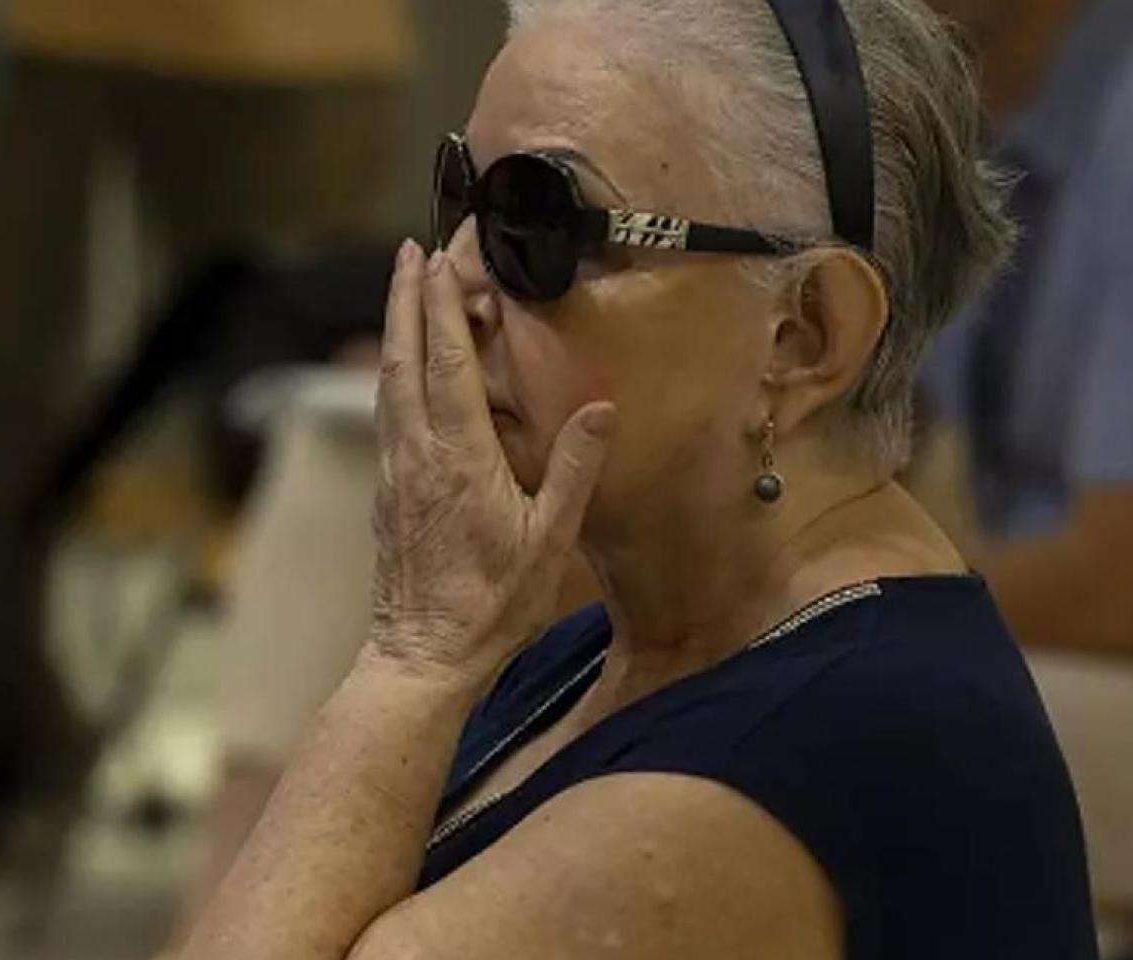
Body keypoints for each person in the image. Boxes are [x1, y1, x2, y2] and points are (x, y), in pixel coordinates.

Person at [180, 0, 1100, 957]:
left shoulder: (789, 767)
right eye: (463, 197)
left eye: (537, 223)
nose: (455, 281)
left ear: (803, 334)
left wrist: (414, 659)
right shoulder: (626, 648)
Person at [0, 0, 416, 865]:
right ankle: (14, 752)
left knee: (338, 405)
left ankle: (349, 808)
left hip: (296, 37)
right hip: (5, 33)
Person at [906, 0, 1133, 947]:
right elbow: (845, 451)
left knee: (833, 727)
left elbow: (1114, 583)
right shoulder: (964, 114)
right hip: (1036, 634)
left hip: (1105, 651)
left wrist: (844, 610)